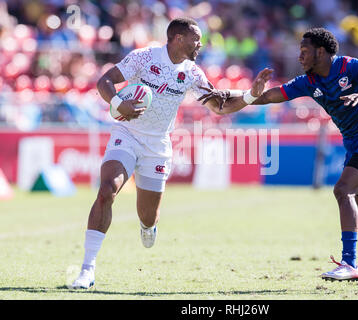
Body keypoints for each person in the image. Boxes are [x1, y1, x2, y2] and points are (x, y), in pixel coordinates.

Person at [199, 28, 358, 281]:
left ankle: (349, 264)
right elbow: (270, 96)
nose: (299, 57)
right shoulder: (309, 81)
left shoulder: (352, 67)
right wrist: (234, 94)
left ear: (321, 51)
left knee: (342, 190)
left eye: (304, 51)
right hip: (355, 146)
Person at [71, 17, 273, 289]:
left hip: (158, 146)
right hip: (127, 134)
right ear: (178, 38)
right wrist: (120, 103)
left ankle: (148, 227)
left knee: (147, 217)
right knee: (107, 189)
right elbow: (104, 81)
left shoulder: (192, 73)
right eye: (196, 39)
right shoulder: (143, 58)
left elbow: (220, 107)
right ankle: (87, 269)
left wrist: (250, 95)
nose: (200, 44)